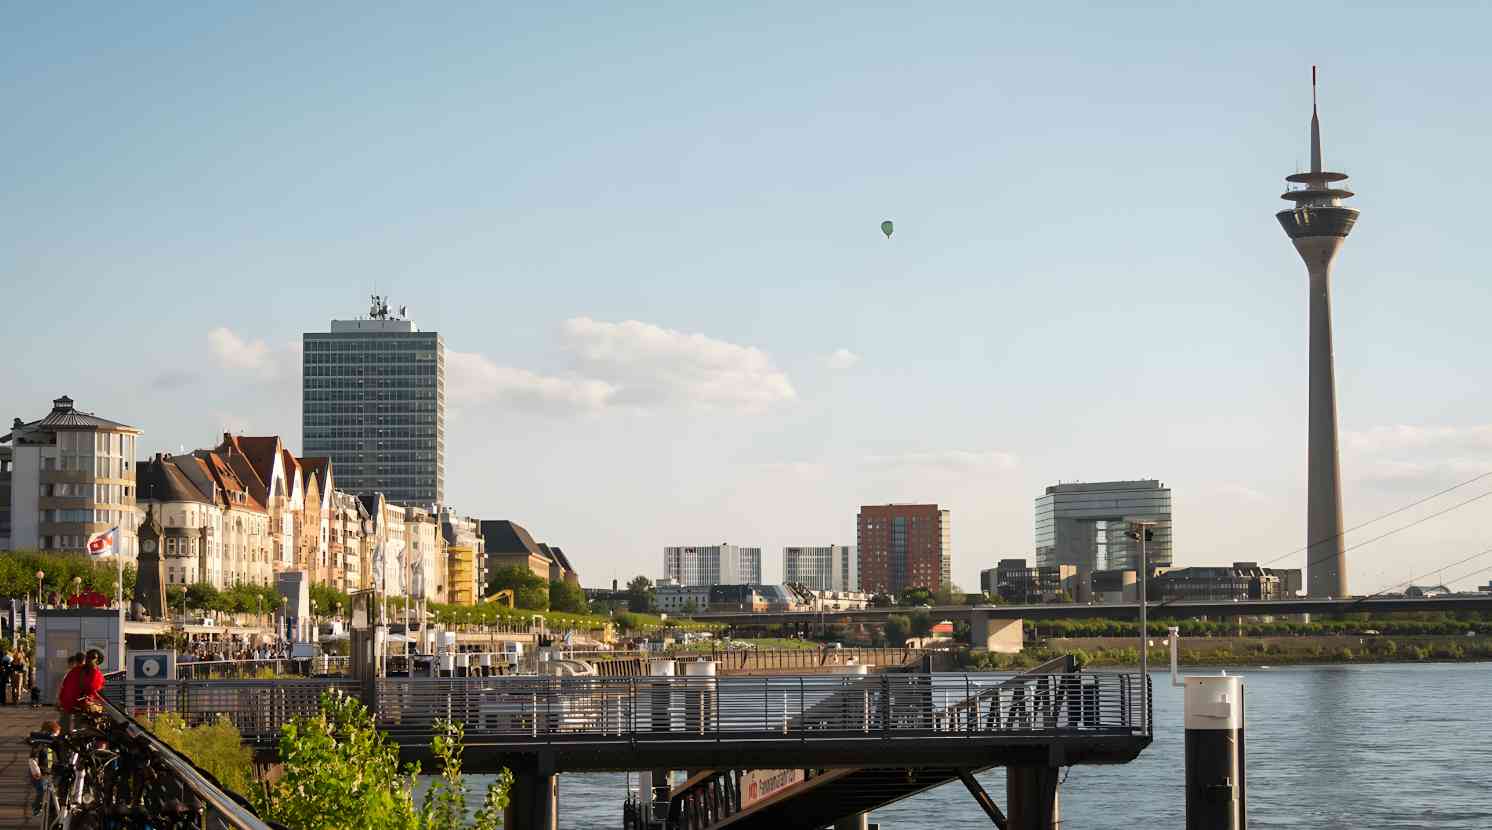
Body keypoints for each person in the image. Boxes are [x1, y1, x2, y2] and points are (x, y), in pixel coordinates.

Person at [28, 720, 61, 815]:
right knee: (41, 789)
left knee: (51, 790)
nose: (55, 738)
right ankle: (36, 807)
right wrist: (36, 771)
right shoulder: (40, 744)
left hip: (49, 771)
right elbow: (32, 758)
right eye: (54, 735)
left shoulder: (54, 745)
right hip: (39, 772)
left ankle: (49, 806)